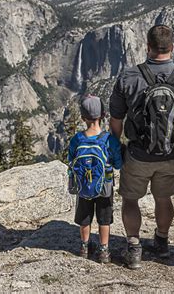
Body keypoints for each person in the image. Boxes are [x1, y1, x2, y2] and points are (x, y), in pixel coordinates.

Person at [109, 24, 174, 269]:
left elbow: (116, 119)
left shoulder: (129, 77)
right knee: (163, 198)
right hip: (172, 154)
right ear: (173, 48)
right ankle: (161, 242)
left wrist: (115, 146)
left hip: (138, 155)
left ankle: (133, 247)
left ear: (147, 47)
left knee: (130, 199)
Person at [68, 95, 122, 264]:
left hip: (84, 185)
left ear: (83, 118)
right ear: (103, 115)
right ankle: (104, 250)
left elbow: (71, 160)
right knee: (104, 218)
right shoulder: (109, 139)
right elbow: (118, 163)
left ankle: (84, 246)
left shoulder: (77, 139)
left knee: (85, 216)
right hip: (104, 185)